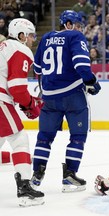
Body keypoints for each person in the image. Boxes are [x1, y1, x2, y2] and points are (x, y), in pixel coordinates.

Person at [31, 10, 101, 193]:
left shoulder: (46, 37)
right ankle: (69, 176)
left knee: (44, 138)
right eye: (77, 25)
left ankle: (36, 174)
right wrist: (92, 83)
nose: (79, 29)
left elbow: (37, 68)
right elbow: (81, 65)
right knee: (78, 137)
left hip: (49, 97)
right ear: (68, 24)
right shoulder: (75, 36)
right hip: (73, 96)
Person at [0, 18, 44, 206]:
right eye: (31, 35)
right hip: (1, 100)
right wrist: (29, 104)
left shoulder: (3, 46)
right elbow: (17, 87)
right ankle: (25, 188)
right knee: (19, 139)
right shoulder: (20, 49)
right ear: (21, 35)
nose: (32, 39)